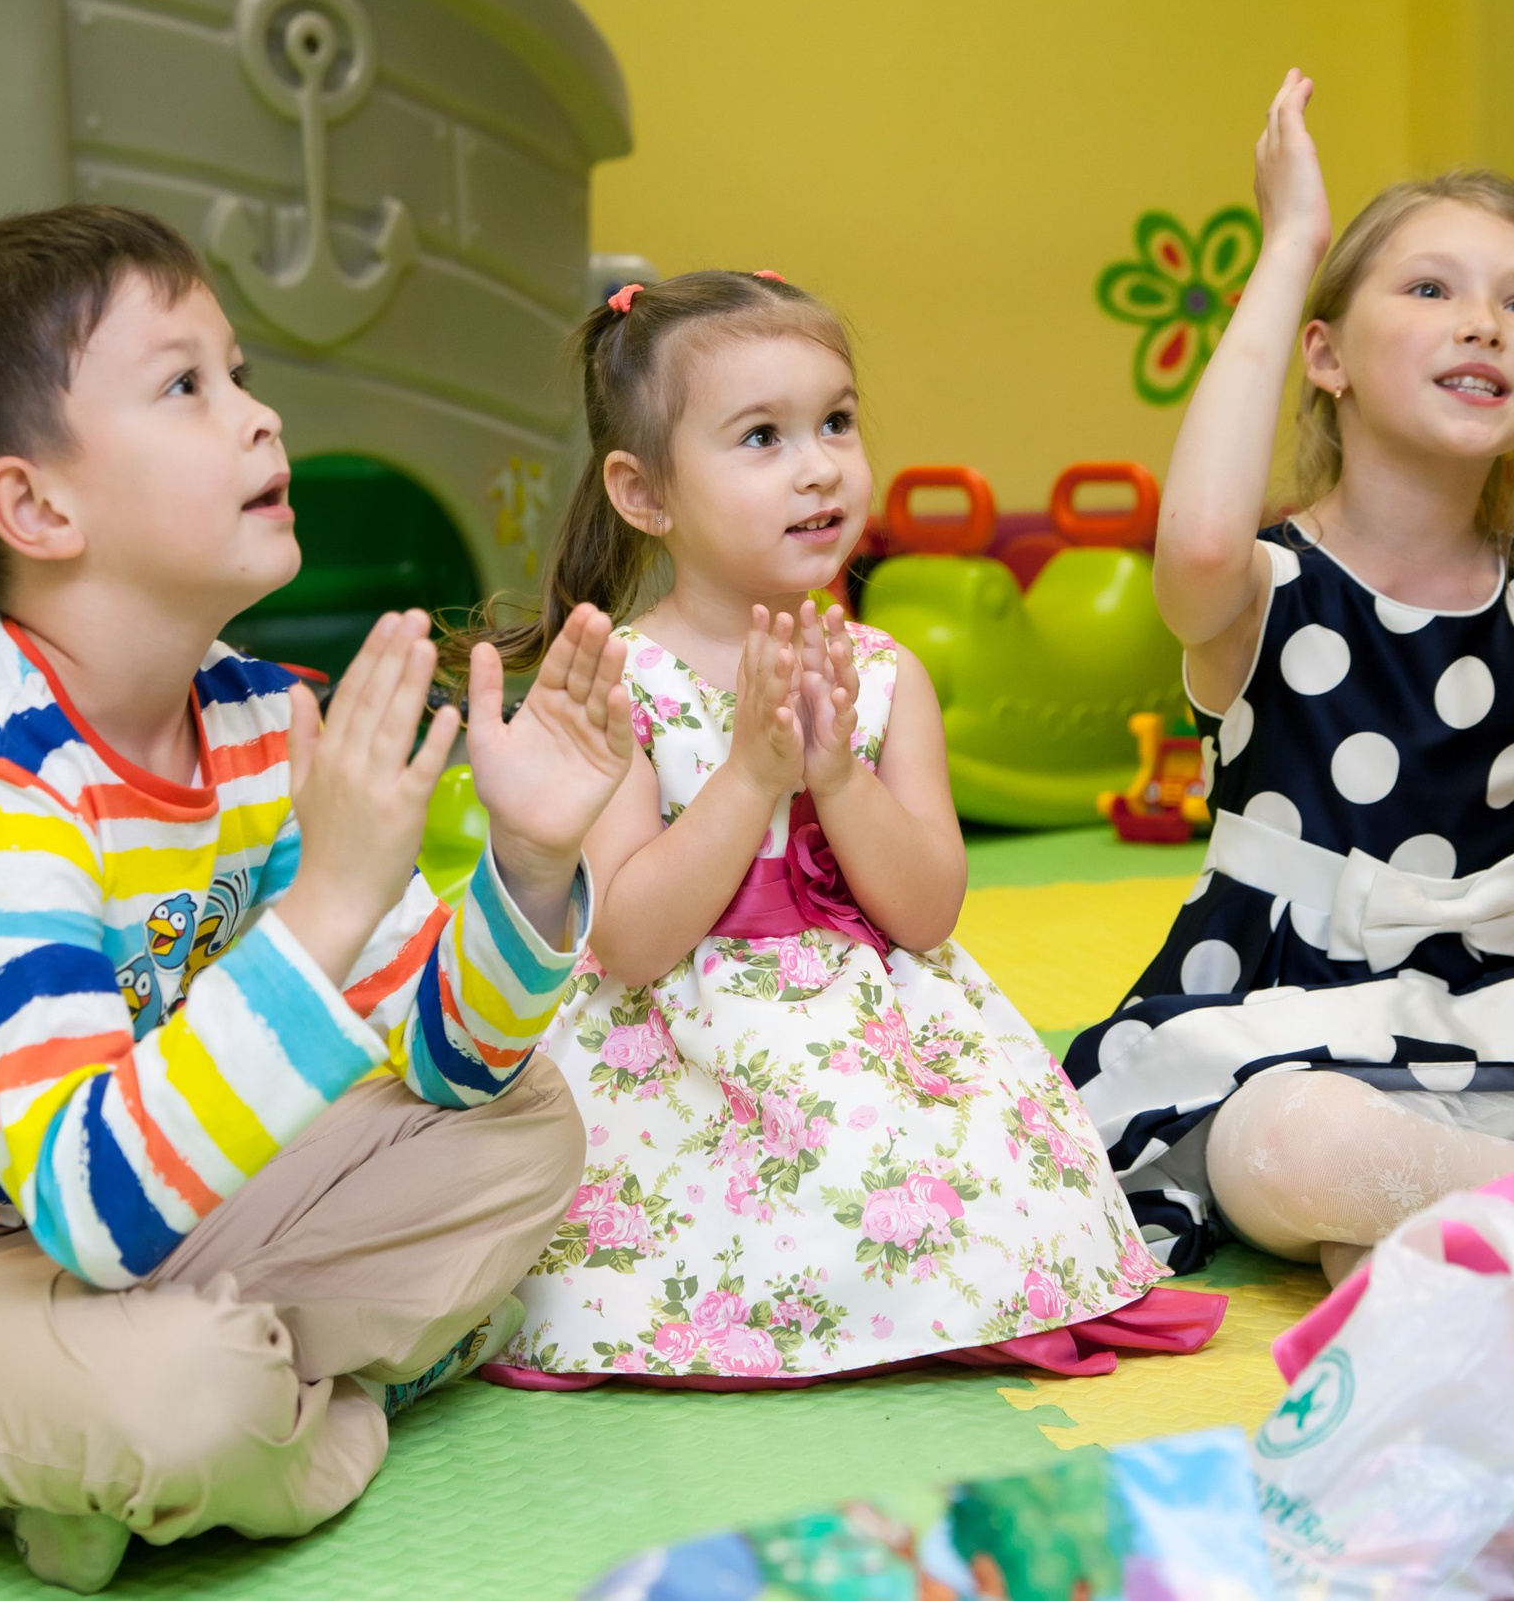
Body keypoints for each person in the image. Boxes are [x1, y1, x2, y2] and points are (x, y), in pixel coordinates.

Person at [0, 206, 635, 1591]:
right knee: (183, 1396)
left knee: (529, 1132)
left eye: (240, 372)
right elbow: (93, 1204)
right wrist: (328, 899)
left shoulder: (254, 717)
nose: (259, 418)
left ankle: (136, 1444)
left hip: (89, 1249)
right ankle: (276, 1426)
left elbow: (448, 1063)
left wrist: (523, 867)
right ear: (37, 508)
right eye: (187, 386)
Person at [474, 270, 1217, 1384]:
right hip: (680, 1046)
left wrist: (836, 775)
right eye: (761, 437)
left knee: (945, 1168)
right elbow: (625, 942)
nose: (819, 464)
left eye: (835, 421)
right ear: (644, 493)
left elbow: (925, 913)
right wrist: (748, 779)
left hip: (868, 1027)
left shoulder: (884, 675)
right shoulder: (622, 681)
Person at [1062, 73, 1514, 1283]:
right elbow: (1192, 541)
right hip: (1284, 1045)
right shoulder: (1257, 589)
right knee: (1299, 1145)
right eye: (1429, 289)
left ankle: (1465, 1240)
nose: (1484, 323)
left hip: (1509, 1042)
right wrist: (1291, 237)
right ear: (1326, 356)